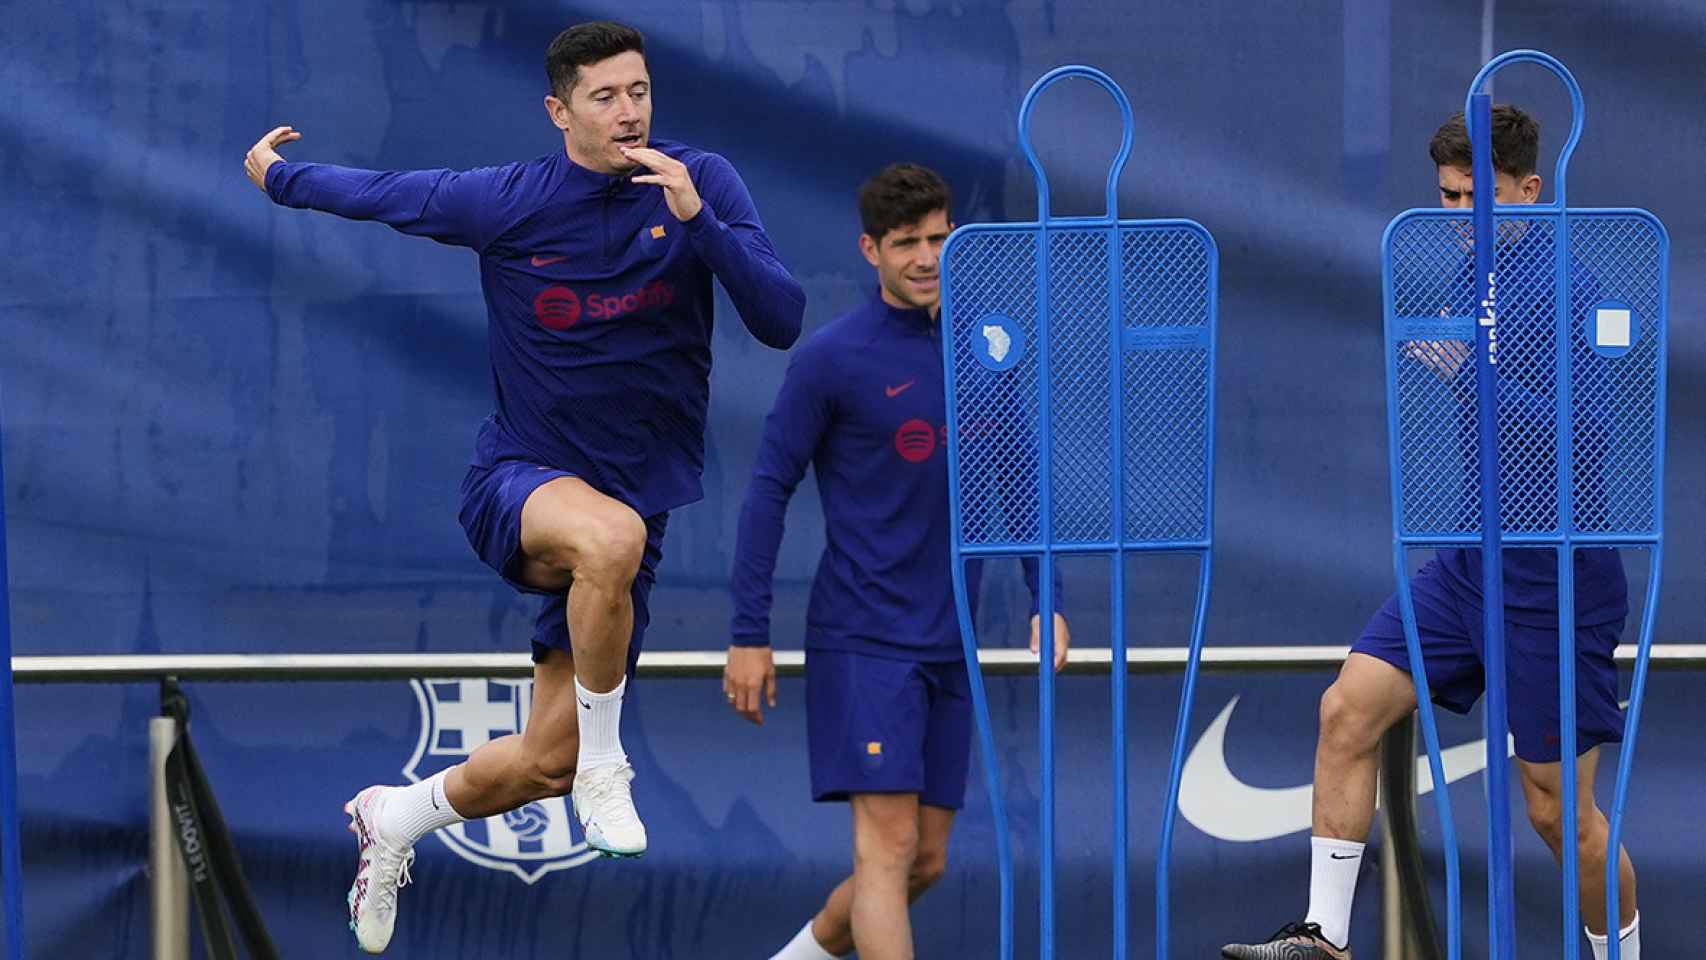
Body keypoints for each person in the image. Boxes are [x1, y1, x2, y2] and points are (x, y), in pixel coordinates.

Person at [243, 20, 805, 954]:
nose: (628, 112)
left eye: (639, 91)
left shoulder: (701, 182)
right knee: (610, 543)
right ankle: (609, 767)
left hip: (632, 510)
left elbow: (781, 320)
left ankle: (397, 816)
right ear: (559, 111)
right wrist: (280, 176)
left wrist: (702, 223)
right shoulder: (509, 200)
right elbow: (389, 193)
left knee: (547, 758)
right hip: (520, 484)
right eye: (604, 97)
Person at [1222, 105, 1640, 960]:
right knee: (1345, 710)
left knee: (1559, 812)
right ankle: (1324, 936)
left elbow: (1589, 433)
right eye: (1447, 198)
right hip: (1468, 565)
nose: (1458, 217)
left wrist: (1481, 383)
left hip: (1558, 571)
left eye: (1474, 198)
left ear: (1529, 191)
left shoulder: (1573, 287)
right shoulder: (1462, 278)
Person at [724, 163, 1070, 960]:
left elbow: (1018, 479)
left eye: (939, 240)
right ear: (870, 249)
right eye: (907, 243)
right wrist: (749, 632)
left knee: (925, 858)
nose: (926, 258)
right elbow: (767, 491)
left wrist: (1044, 594)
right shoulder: (832, 359)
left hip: (951, 639)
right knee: (885, 848)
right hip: (863, 637)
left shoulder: (988, 347)